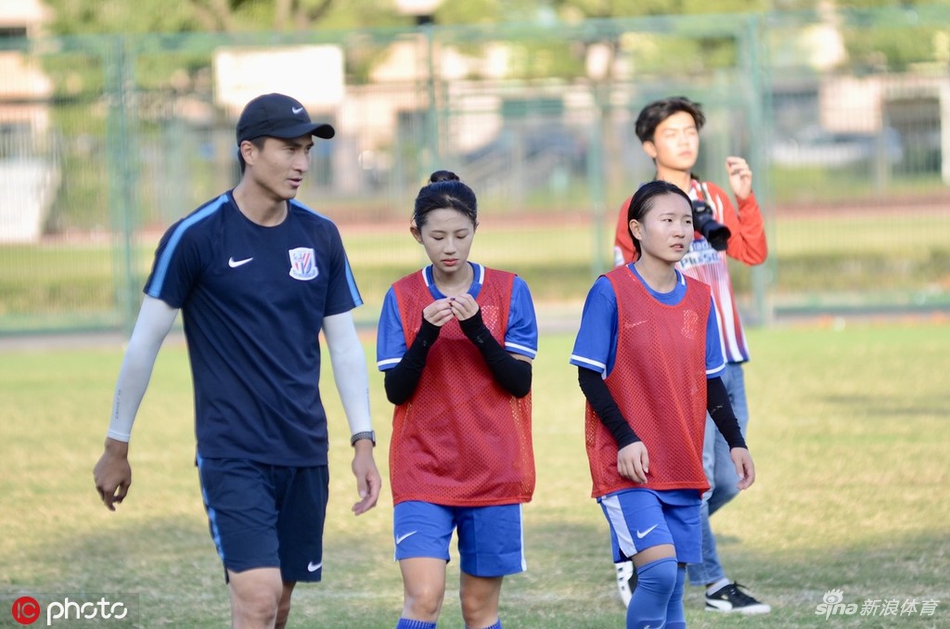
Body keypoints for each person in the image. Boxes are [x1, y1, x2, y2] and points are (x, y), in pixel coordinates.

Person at [92, 92, 381, 629]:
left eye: (307, 150)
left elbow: (343, 346)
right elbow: (144, 344)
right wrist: (116, 446)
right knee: (257, 598)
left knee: (280, 605)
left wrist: (362, 440)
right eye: (289, 149)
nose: (302, 163)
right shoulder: (196, 236)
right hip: (233, 453)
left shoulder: (321, 235)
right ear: (248, 151)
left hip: (305, 450)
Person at [610, 95, 770, 614]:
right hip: (677, 361)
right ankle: (714, 583)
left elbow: (751, 252)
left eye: (690, 132)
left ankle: (640, 543)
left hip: (728, 354)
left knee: (727, 479)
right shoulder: (640, 208)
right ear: (649, 146)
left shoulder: (714, 197)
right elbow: (630, 283)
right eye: (671, 133)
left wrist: (744, 199)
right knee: (694, 475)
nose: (684, 141)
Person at [572, 180, 755, 629]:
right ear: (636, 229)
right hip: (627, 465)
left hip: (682, 462)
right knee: (656, 574)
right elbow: (589, 375)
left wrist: (736, 442)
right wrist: (626, 438)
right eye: (667, 220)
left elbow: (712, 382)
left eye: (686, 221)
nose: (680, 230)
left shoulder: (700, 298)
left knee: (673, 587)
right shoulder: (610, 290)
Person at [376, 170, 538, 629]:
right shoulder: (402, 296)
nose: (450, 247)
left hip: (493, 470)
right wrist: (426, 334)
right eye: (437, 237)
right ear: (417, 234)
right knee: (423, 599)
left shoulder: (510, 290)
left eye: (461, 235)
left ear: (476, 229)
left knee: (478, 609)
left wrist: (477, 329)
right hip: (422, 468)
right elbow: (396, 391)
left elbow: (518, 383)